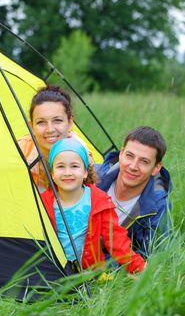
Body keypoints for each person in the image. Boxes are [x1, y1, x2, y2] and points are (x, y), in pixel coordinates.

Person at [41, 138, 146, 274]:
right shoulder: (43, 202)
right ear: (52, 174)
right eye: (61, 166)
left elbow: (116, 240)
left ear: (85, 172)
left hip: (91, 272)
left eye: (74, 166)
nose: (67, 172)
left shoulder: (99, 201)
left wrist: (139, 267)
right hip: (53, 272)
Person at [95, 126, 172, 258]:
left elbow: (155, 258)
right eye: (130, 156)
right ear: (121, 154)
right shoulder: (92, 176)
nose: (133, 166)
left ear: (156, 167)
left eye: (144, 161)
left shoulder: (157, 207)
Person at [18, 85, 91, 192]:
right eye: (41, 122)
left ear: (70, 123)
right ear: (31, 126)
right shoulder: (19, 151)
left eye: (57, 120)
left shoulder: (81, 154)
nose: (50, 129)